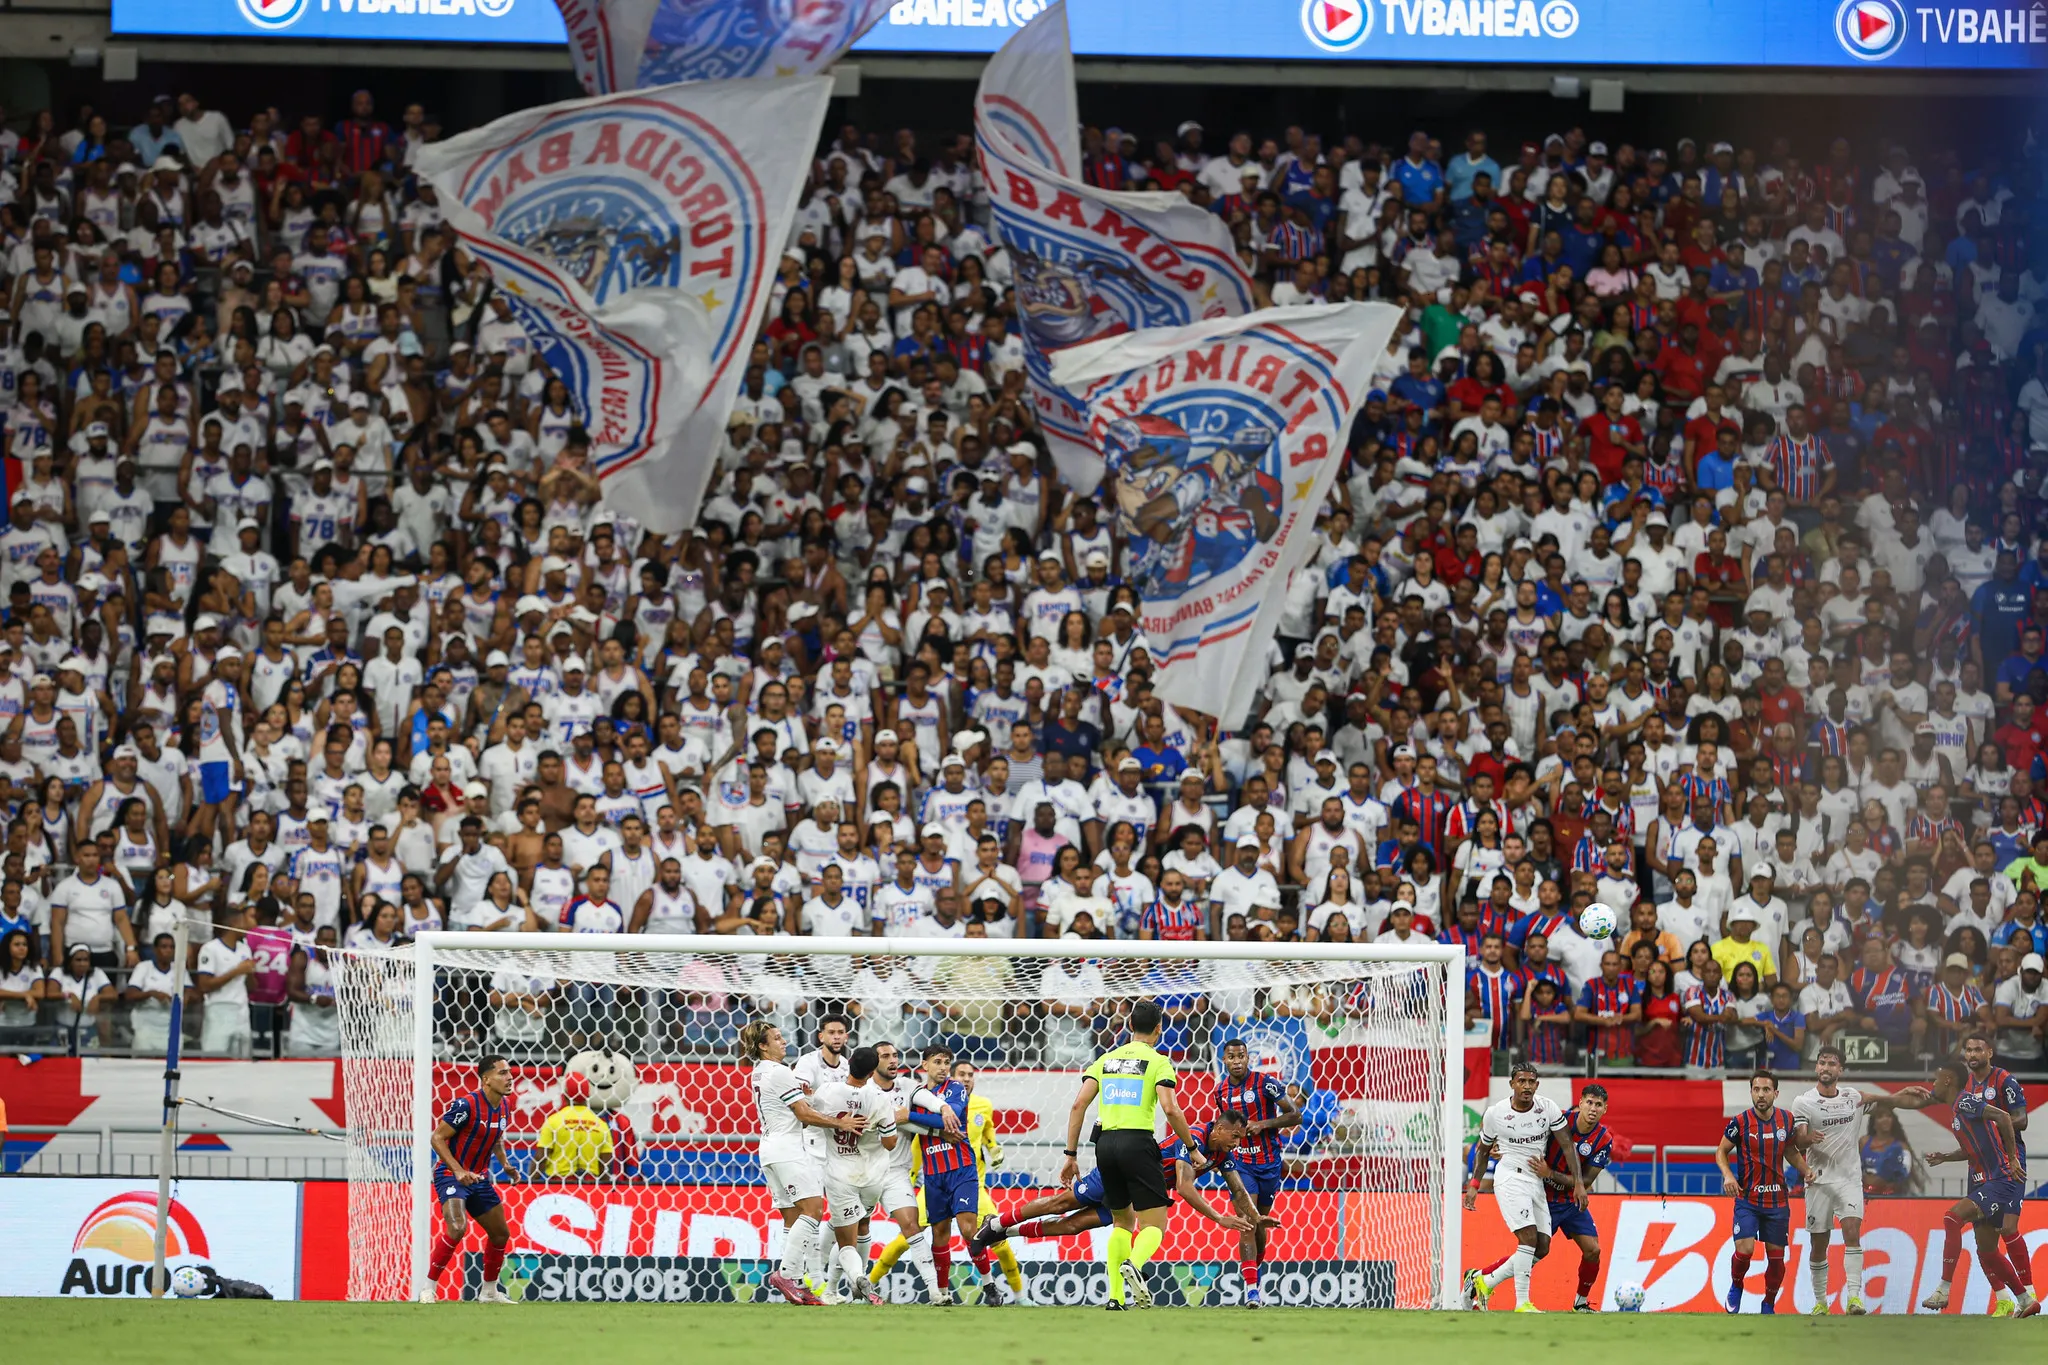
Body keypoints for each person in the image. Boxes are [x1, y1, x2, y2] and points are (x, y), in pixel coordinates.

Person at [1060, 998, 1208, 1310]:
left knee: (1121, 1223)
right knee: (1153, 1225)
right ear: (1159, 1029)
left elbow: (1078, 1105)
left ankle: (1114, 1297)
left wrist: (1070, 1154)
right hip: (1138, 1143)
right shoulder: (1159, 1062)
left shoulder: (1105, 1060)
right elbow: (1170, 1108)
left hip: (1106, 1146)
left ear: (1129, 1027)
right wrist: (1192, 1148)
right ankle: (1135, 1264)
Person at [1866, 1058, 2037, 1317]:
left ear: (1947, 1080)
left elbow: (2003, 1116)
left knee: (1952, 1217)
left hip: (1999, 1180)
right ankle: (2025, 1300)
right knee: (1988, 1250)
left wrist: (2012, 1157)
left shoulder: (1966, 1102)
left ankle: (1943, 1289)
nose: (1933, 1083)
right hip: (1988, 1180)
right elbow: (1974, 1147)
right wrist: (1946, 1157)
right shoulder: (1957, 1110)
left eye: (1936, 1078)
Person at [1462, 1061, 1584, 1312]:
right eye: (1522, 1081)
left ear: (1537, 1085)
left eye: (1531, 1082)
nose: (1527, 1086)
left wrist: (1579, 1184)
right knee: (1527, 1237)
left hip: (1536, 1181)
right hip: (1510, 1178)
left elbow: (1567, 1145)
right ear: (1512, 1084)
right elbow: (1483, 1151)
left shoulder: (1547, 1108)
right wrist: (1474, 1184)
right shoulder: (1496, 1114)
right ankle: (1522, 1303)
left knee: (1542, 1247)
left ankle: (1484, 1281)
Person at [806, 1043, 899, 1306]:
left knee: (845, 1240)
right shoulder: (880, 1098)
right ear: (872, 1073)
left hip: (839, 1176)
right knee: (863, 1226)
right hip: (871, 1178)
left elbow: (807, 1116)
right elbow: (890, 1143)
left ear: (848, 1064)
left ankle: (855, 1277)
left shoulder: (827, 1091)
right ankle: (843, 1287)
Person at [420, 1054, 516, 1304]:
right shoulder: (466, 1105)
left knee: (500, 1234)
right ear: (486, 1079)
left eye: (509, 1072)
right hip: (450, 1175)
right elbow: (437, 1138)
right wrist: (458, 1170)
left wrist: (505, 1164)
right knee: (457, 1226)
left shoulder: (504, 1105)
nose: (509, 1077)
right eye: (503, 1073)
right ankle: (428, 1288)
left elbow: (495, 1138)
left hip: (479, 1179)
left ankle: (489, 1292)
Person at [1213, 1036, 1301, 1306]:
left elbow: (1295, 1114)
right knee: (1247, 1221)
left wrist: (1264, 1124)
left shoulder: (1267, 1084)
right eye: (1231, 1057)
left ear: (1248, 1058)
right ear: (1224, 1060)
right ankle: (1252, 1290)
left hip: (1269, 1164)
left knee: (1261, 1222)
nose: (1237, 1061)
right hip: (1240, 1164)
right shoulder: (1220, 1092)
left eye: (1241, 1056)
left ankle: (1255, 1278)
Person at [1714, 1069, 1808, 1314]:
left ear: (1776, 1093)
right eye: (1756, 1089)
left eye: (1766, 1089)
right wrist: (1728, 1175)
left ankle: (1768, 1303)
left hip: (1777, 1201)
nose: (1761, 1094)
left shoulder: (1787, 1120)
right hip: (1748, 1198)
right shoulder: (1740, 1122)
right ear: (1751, 1092)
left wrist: (1806, 1170)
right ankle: (1736, 1285)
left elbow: (1790, 1150)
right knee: (1744, 1249)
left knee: (1776, 1259)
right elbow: (1721, 1151)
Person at [1789, 1045, 1867, 1315]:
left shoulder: (1852, 1097)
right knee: (1818, 1245)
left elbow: (1885, 1100)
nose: (1826, 1067)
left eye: (1832, 1063)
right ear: (1816, 1067)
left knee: (1852, 1233)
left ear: (1840, 1070)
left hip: (1849, 1180)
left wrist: (1910, 1095)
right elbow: (1797, 1138)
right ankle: (1821, 1302)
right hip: (1818, 1180)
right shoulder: (1803, 1101)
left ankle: (1855, 1298)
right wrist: (1807, 1139)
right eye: (1822, 1062)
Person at [533, 1072, 614, 1180]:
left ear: (565, 1095)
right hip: (589, 1186)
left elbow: (541, 1158)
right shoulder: (601, 1125)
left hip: (559, 1186)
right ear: (588, 1095)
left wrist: (530, 1182)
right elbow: (606, 1164)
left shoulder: (554, 1121)